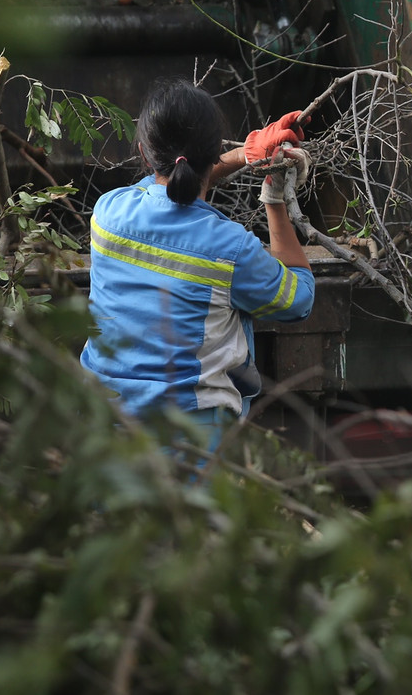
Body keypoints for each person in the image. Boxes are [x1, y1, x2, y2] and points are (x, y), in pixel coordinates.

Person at [81, 78, 315, 452]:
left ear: (143, 153)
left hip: (101, 435)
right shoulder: (231, 248)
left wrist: (245, 154)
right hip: (189, 444)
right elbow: (299, 300)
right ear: (213, 153)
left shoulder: (108, 213)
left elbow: (170, 183)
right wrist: (274, 201)